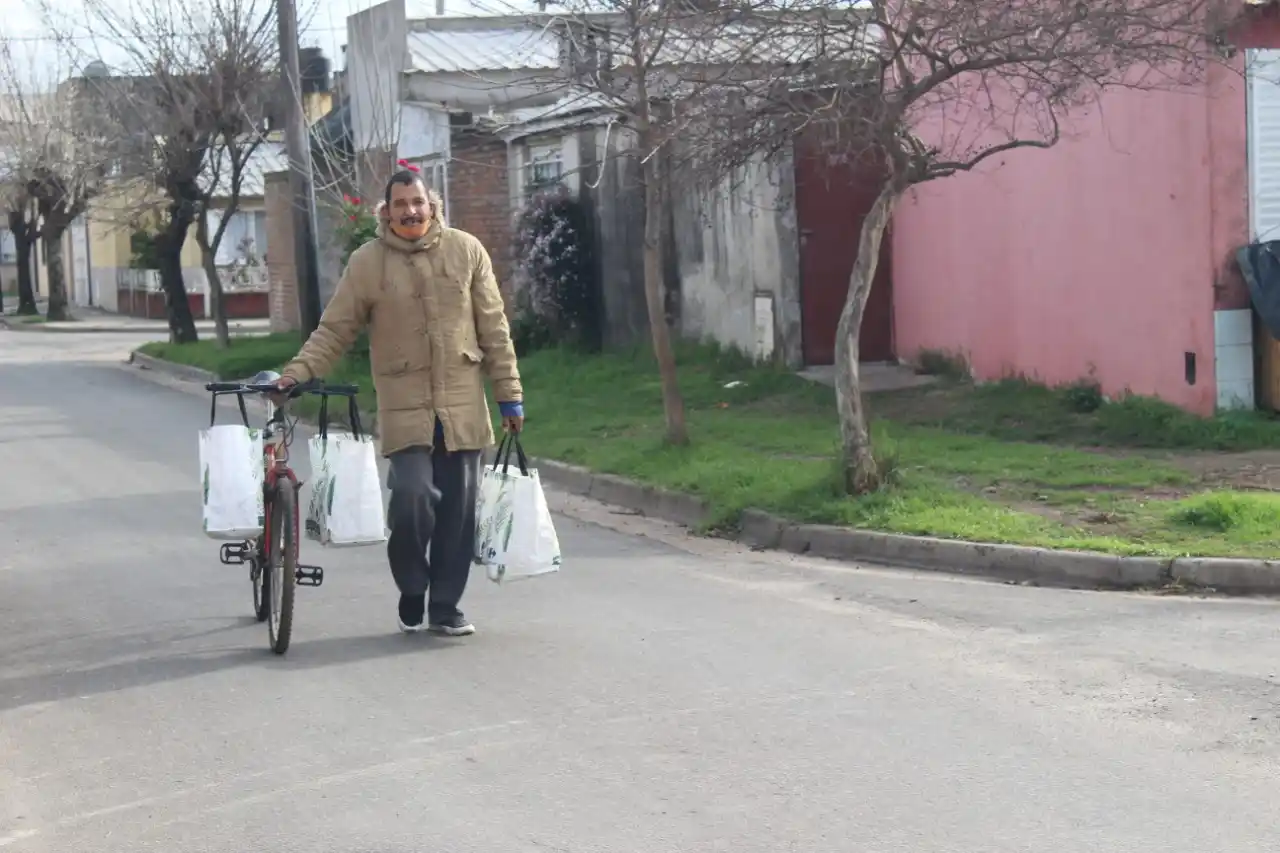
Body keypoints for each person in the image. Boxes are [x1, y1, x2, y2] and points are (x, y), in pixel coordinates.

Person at [274, 169, 524, 636]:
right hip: (403, 403)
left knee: (457, 511)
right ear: (385, 212)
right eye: (400, 204)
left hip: (463, 403)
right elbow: (336, 329)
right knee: (411, 497)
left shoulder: (466, 250)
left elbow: (494, 327)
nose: (410, 211)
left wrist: (510, 394)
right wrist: (297, 372)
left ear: (433, 206)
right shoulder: (368, 263)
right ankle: (413, 585)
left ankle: (445, 607)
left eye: (418, 202)